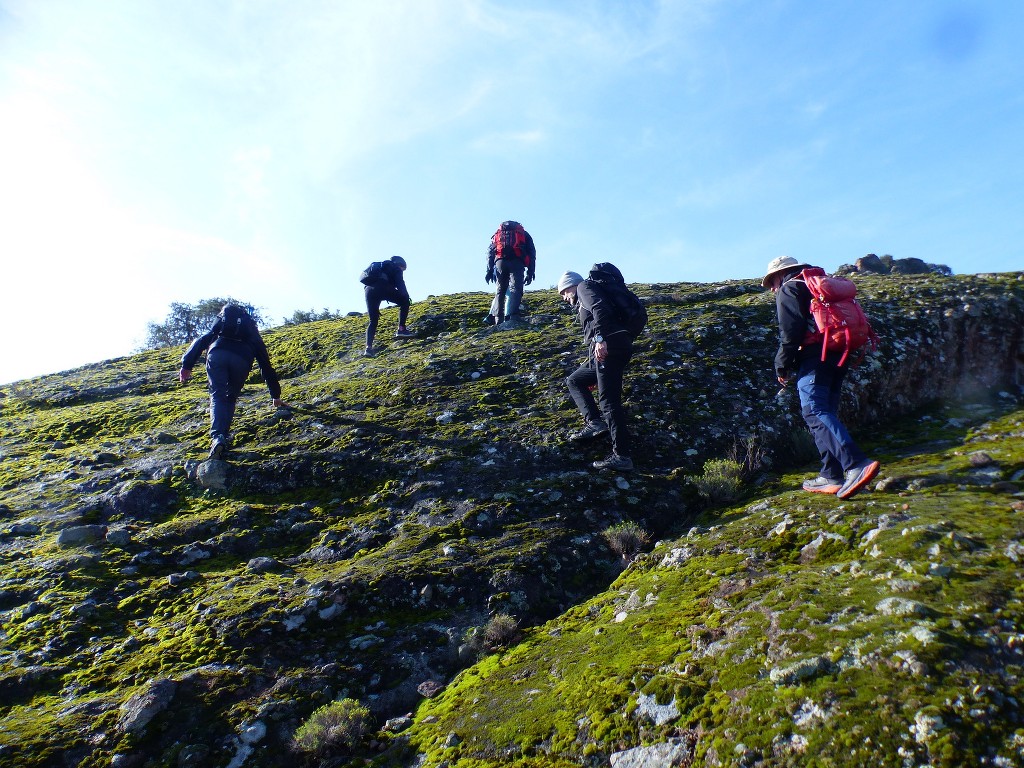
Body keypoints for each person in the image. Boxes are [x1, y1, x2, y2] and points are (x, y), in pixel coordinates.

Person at [763, 255, 880, 499]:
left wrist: (781, 365)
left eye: (771, 283)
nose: (772, 288)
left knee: (814, 411)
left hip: (816, 357)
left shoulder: (789, 288)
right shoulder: (816, 284)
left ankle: (856, 464)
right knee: (824, 412)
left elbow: (791, 332)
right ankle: (831, 475)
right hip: (839, 354)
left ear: (778, 275)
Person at [179, 303, 283, 460]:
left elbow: (200, 342)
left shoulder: (220, 328)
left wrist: (186, 366)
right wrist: (275, 395)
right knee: (230, 397)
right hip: (241, 360)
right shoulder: (252, 333)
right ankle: (222, 438)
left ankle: (218, 438)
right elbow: (265, 365)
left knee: (217, 395)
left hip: (217, 355)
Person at [558, 270, 635, 472]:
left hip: (608, 347)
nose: (565, 298)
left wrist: (600, 339)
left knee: (609, 402)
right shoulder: (591, 291)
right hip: (617, 345)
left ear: (570, 286)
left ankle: (622, 456)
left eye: (564, 293)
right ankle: (594, 422)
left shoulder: (584, 287)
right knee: (575, 381)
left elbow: (599, 308)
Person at [486, 221, 536, 325]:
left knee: (500, 290)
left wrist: (489, 270)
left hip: (500, 262)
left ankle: (497, 319)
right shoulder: (524, 234)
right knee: (515, 289)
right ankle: (512, 316)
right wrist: (531, 272)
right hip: (517, 262)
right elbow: (532, 253)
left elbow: (490, 252)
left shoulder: (497, 234)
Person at [363, 255, 413, 356]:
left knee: (373, 320)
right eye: (403, 269)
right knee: (405, 302)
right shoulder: (395, 268)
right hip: (382, 287)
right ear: (400, 265)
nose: (403, 271)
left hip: (368, 290)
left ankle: (368, 348)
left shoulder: (380, 268)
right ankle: (401, 329)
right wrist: (406, 297)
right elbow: (400, 284)